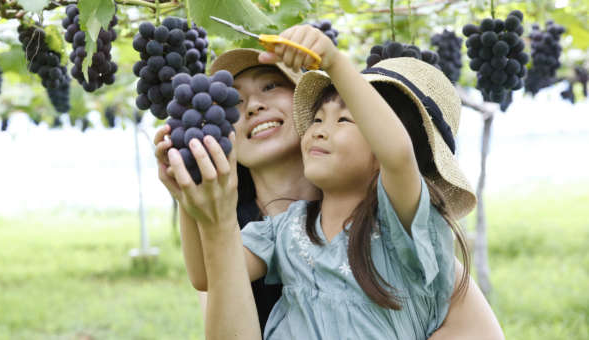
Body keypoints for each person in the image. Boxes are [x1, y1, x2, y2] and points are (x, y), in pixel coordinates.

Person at [154, 27, 504, 339]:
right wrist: (191, 193)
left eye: (346, 118)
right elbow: (207, 274)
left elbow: (397, 154)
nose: (320, 127)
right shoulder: (286, 229)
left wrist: (334, 62)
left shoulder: (399, 232)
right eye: (318, 117)